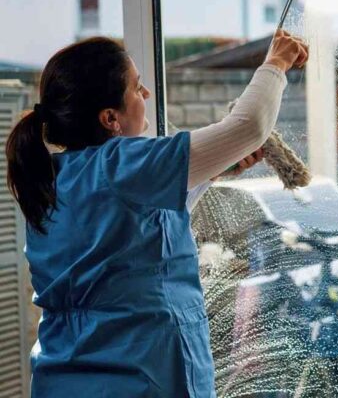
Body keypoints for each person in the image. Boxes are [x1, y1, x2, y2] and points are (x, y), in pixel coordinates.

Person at [6, 30, 308, 397]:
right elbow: (248, 127)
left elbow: (134, 236)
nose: (146, 94)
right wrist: (276, 63)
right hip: (136, 379)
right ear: (109, 118)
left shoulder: (54, 176)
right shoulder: (121, 162)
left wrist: (212, 170)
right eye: (136, 87)